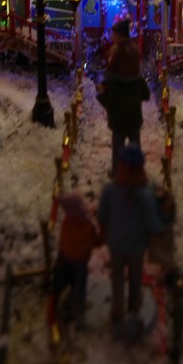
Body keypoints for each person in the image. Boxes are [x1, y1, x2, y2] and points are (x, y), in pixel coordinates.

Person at [98, 144, 163, 331]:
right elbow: (152, 223)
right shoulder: (145, 196)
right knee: (135, 276)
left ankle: (117, 308)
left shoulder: (110, 191)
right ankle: (134, 307)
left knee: (117, 275)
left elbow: (102, 215)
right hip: (136, 245)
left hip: (116, 243)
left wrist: (105, 230)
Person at [96, 19, 150, 175]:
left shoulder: (113, 83)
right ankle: (136, 171)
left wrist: (102, 91)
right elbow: (146, 95)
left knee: (118, 148)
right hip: (134, 118)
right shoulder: (137, 79)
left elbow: (108, 101)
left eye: (114, 33)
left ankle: (117, 173)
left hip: (119, 120)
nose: (112, 36)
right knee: (135, 144)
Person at [49, 194, 101, 326]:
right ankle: (77, 310)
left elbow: (63, 239)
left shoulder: (67, 222)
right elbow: (94, 242)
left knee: (72, 282)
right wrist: (102, 236)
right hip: (80, 261)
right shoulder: (86, 225)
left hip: (67, 256)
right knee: (79, 285)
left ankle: (66, 305)